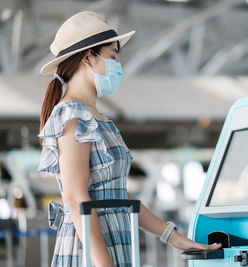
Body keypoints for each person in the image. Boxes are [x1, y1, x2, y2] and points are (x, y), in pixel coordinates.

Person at [38, 11, 221, 267]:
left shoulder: (100, 119)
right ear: (88, 57)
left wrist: (175, 238)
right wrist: (104, 264)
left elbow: (118, 195)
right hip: (90, 253)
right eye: (112, 55)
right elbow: (76, 198)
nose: (117, 64)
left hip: (114, 243)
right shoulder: (71, 115)